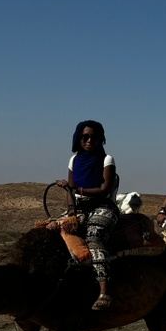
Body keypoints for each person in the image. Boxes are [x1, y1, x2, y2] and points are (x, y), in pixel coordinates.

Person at [56, 120, 118, 310]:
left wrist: (77, 189)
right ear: (78, 138)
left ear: (101, 139)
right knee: (52, 229)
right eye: (85, 136)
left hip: (103, 207)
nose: (89, 140)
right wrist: (72, 209)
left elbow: (104, 189)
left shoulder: (107, 160)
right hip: (79, 208)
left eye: (94, 136)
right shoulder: (73, 160)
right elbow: (70, 191)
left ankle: (104, 290)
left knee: (94, 236)